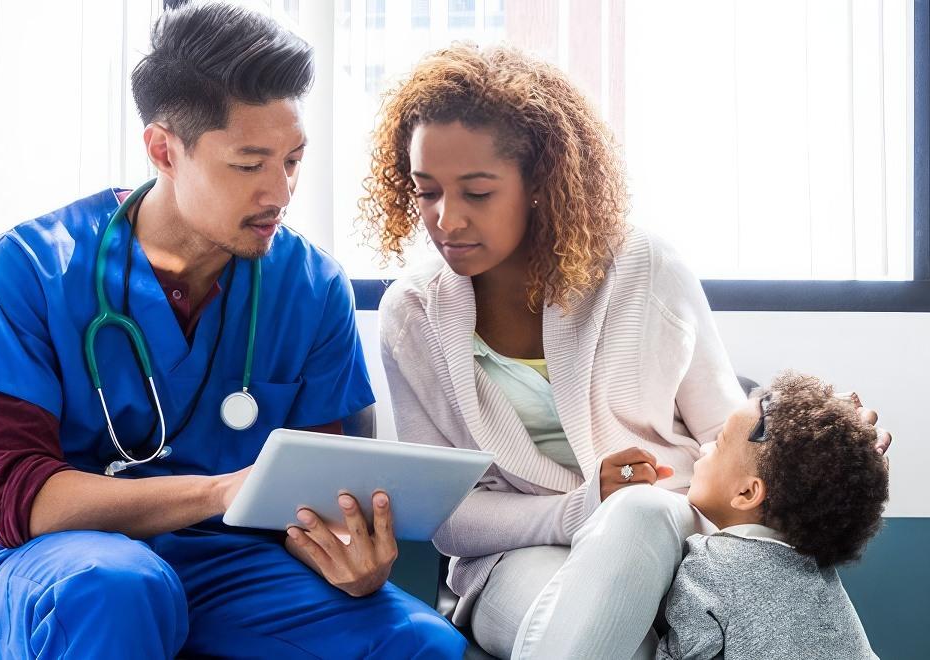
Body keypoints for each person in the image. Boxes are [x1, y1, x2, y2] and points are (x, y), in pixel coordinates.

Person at [0, 4, 462, 658]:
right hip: (49, 564)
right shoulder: (30, 267)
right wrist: (218, 492)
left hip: (224, 566)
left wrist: (351, 556)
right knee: (121, 589)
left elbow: (317, 494)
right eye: (250, 164)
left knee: (416, 642)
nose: (281, 190)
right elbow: (18, 500)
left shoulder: (311, 286)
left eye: (293, 160)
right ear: (164, 150)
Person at [361, 45, 892, 659]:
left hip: (675, 532)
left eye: (477, 193)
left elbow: (730, 436)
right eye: (427, 192)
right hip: (513, 559)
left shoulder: (646, 269)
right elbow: (448, 516)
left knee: (639, 514)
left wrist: (828, 450)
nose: (445, 219)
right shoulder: (413, 315)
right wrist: (581, 509)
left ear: (540, 183)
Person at [659, 372, 890, 659]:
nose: (703, 448)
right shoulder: (825, 580)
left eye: (718, 444)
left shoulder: (712, 563)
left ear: (746, 493)